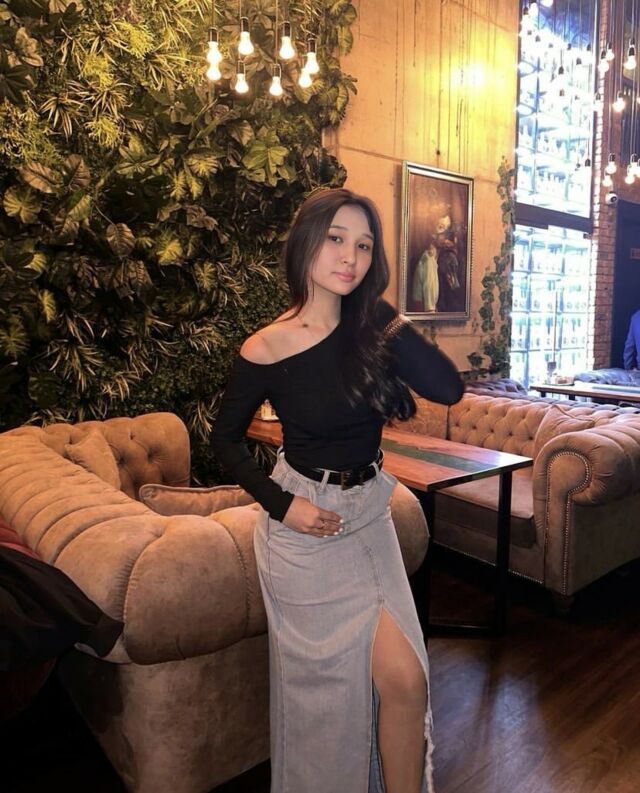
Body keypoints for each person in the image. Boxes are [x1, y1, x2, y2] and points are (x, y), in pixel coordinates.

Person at [212, 188, 464, 793]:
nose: (350, 257)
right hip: (306, 532)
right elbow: (224, 441)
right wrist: (284, 507)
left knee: (407, 680)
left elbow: (449, 388)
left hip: (371, 515)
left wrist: (384, 315)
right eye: (336, 239)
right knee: (324, 715)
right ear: (306, 241)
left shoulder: (371, 326)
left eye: (364, 245)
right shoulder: (267, 346)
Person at [411, 243, 439, 312]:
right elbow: (429, 287)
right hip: (424, 309)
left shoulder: (425, 260)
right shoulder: (428, 261)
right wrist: (431, 310)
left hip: (422, 307)